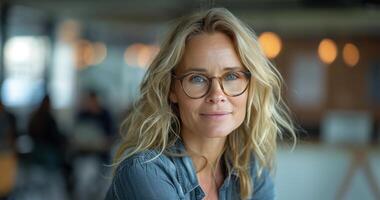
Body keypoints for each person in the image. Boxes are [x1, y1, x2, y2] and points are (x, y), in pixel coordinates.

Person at [105, 8, 295, 200]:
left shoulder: (250, 171)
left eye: (231, 76)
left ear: (251, 85)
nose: (217, 95)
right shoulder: (144, 172)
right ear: (171, 89)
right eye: (197, 78)